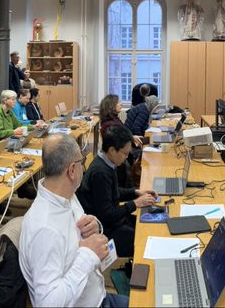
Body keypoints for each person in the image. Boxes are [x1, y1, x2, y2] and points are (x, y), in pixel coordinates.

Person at [19, 134, 127, 308]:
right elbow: (47, 303)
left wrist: (95, 225)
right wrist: (88, 255)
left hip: (99, 297)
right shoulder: (45, 229)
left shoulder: (66, 195)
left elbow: (79, 235)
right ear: (71, 170)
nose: (83, 167)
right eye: (81, 161)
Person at [77, 125, 157, 257]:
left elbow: (112, 192)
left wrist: (136, 192)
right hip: (105, 229)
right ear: (112, 150)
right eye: (125, 153)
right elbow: (106, 215)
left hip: (113, 221)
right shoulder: (100, 172)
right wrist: (135, 204)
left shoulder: (107, 162)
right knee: (143, 239)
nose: (127, 157)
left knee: (147, 224)